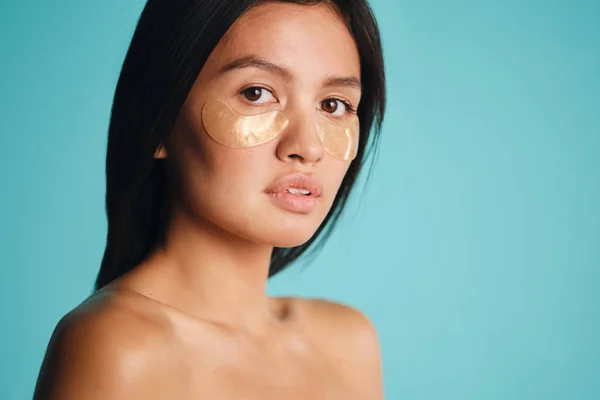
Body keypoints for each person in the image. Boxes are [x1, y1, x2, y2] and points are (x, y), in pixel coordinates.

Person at [33, 0, 386, 398]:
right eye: (257, 93)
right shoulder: (118, 346)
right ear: (159, 119)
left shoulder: (347, 344)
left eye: (333, 105)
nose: (307, 146)